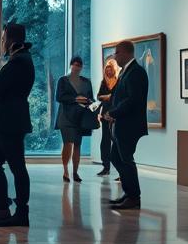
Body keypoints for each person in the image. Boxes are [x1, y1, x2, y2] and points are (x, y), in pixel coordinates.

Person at [0, 22, 35, 228]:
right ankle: (2, 210)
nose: (1, 42)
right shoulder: (18, 59)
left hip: (9, 123)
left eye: (3, 39)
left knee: (17, 167)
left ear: (11, 40)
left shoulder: (19, 61)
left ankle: (21, 212)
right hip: (2, 122)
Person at [102, 39, 148, 211]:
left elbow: (132, 100)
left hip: (130, 125)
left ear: (127, 53)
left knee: (126, 160)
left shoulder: (136, 72)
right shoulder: (125, 72)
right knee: (116, 157)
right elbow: (120, 97)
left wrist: (113, 113)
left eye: (117, 52)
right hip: (122, 124)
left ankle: (134, 197)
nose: (115, 56)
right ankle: (129, 194)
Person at [55, 55, 95, 183]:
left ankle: (75, 172)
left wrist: (89, 102)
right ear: (71, 65)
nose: (77, 67)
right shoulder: (63, 80)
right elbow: (59, 97)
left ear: (82, 67)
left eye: (79, 65)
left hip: (80, 117)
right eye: (75, 64)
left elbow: (91, 98)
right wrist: (75, 99)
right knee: (68, 143)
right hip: (66, 116)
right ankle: (65, 170)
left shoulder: (86, 81)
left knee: (78, 144)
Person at [96, 59, 119, 177]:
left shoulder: (118, 81)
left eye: (110, 70)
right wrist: (108, 97)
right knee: (105, 140)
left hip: (115, 114)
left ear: (114, 71)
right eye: (107, 71)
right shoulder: (103, 82)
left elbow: (119, 97)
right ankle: (105, 167)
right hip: (105, 114)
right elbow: (98, 96)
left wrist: (110, 97)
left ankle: (121, 169)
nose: (108, 72)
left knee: (116, 140)